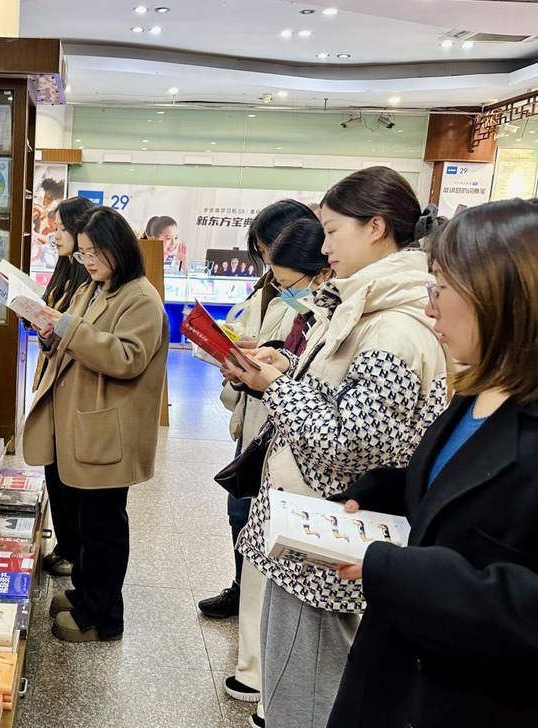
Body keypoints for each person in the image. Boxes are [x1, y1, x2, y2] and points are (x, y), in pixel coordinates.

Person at [225, 166, 448, 728]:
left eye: (331, 231)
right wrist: (286, 365)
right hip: (307, 536)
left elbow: (351, 443)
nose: (324, 248)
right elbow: (335, 398)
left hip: (328, 548)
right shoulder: (360, 305)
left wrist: (276, 387)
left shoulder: (394, 326)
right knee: (289, 690)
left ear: (376, 227)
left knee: (307, 702)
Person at [327, 199, 538, 728]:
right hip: (395, 665)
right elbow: (459, 486)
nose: (430, 308)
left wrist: (407, 575)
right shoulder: (477, 388)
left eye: (440, 288)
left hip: (473, 697)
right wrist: (392, 490)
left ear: (499, 294)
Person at [197, 200, 318, 726]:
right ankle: (247, 620)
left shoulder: (347, 312)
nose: (267, 263)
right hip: (260, 431)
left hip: (287, 446)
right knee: (243, 523)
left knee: (264, 542)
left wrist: (272, 370)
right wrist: (253, 358)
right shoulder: (277, 291)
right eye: (264, 253)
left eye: (270, 251)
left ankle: (260, 670)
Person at [22, 206, 168, 643]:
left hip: (108, 432)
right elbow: (73, 338)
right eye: (82, 253)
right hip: (80, 425)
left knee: (103, 528)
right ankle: (85, 593)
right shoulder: (95, 286)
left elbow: (126, 358)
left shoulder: (140, 298)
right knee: (84, 523)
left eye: (94, 252)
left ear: (118, 247)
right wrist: (50, 333)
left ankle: (102, 618)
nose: (86, 261)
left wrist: (67, 328)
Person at [33, 196, 95, 579]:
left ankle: (74, 549)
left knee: (68, 472)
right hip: (50, 378)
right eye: (54, 228)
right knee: (52, 467)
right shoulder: (65, 270)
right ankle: (66, 544)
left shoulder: (92, 281)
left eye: (61, 229)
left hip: (71, 386)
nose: (55, 235)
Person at [267, 218, 333, 356]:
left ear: (324, 273)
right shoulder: (304, 316)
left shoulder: (335, 321)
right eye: (280, 286)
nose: (285, 294)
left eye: (288, 285)